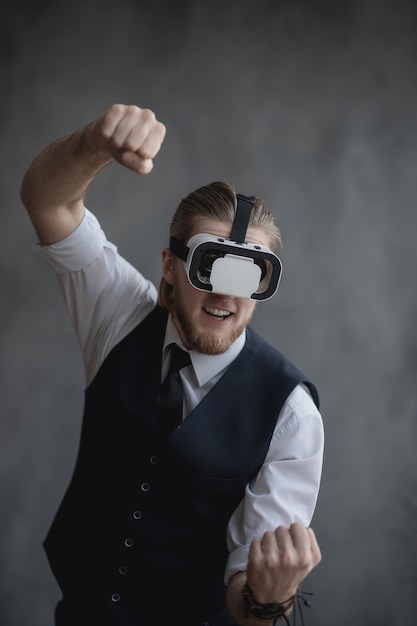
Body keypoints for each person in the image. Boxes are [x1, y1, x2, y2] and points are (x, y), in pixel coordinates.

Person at [21, 104, 324, 626]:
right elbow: (48, 200)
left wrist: (268, 599)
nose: (227, 294)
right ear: (170, 265)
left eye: (249, 273)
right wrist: (93, 144)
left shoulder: (291, 415)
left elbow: (245, 602)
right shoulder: (118, 315)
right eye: (210, 266)